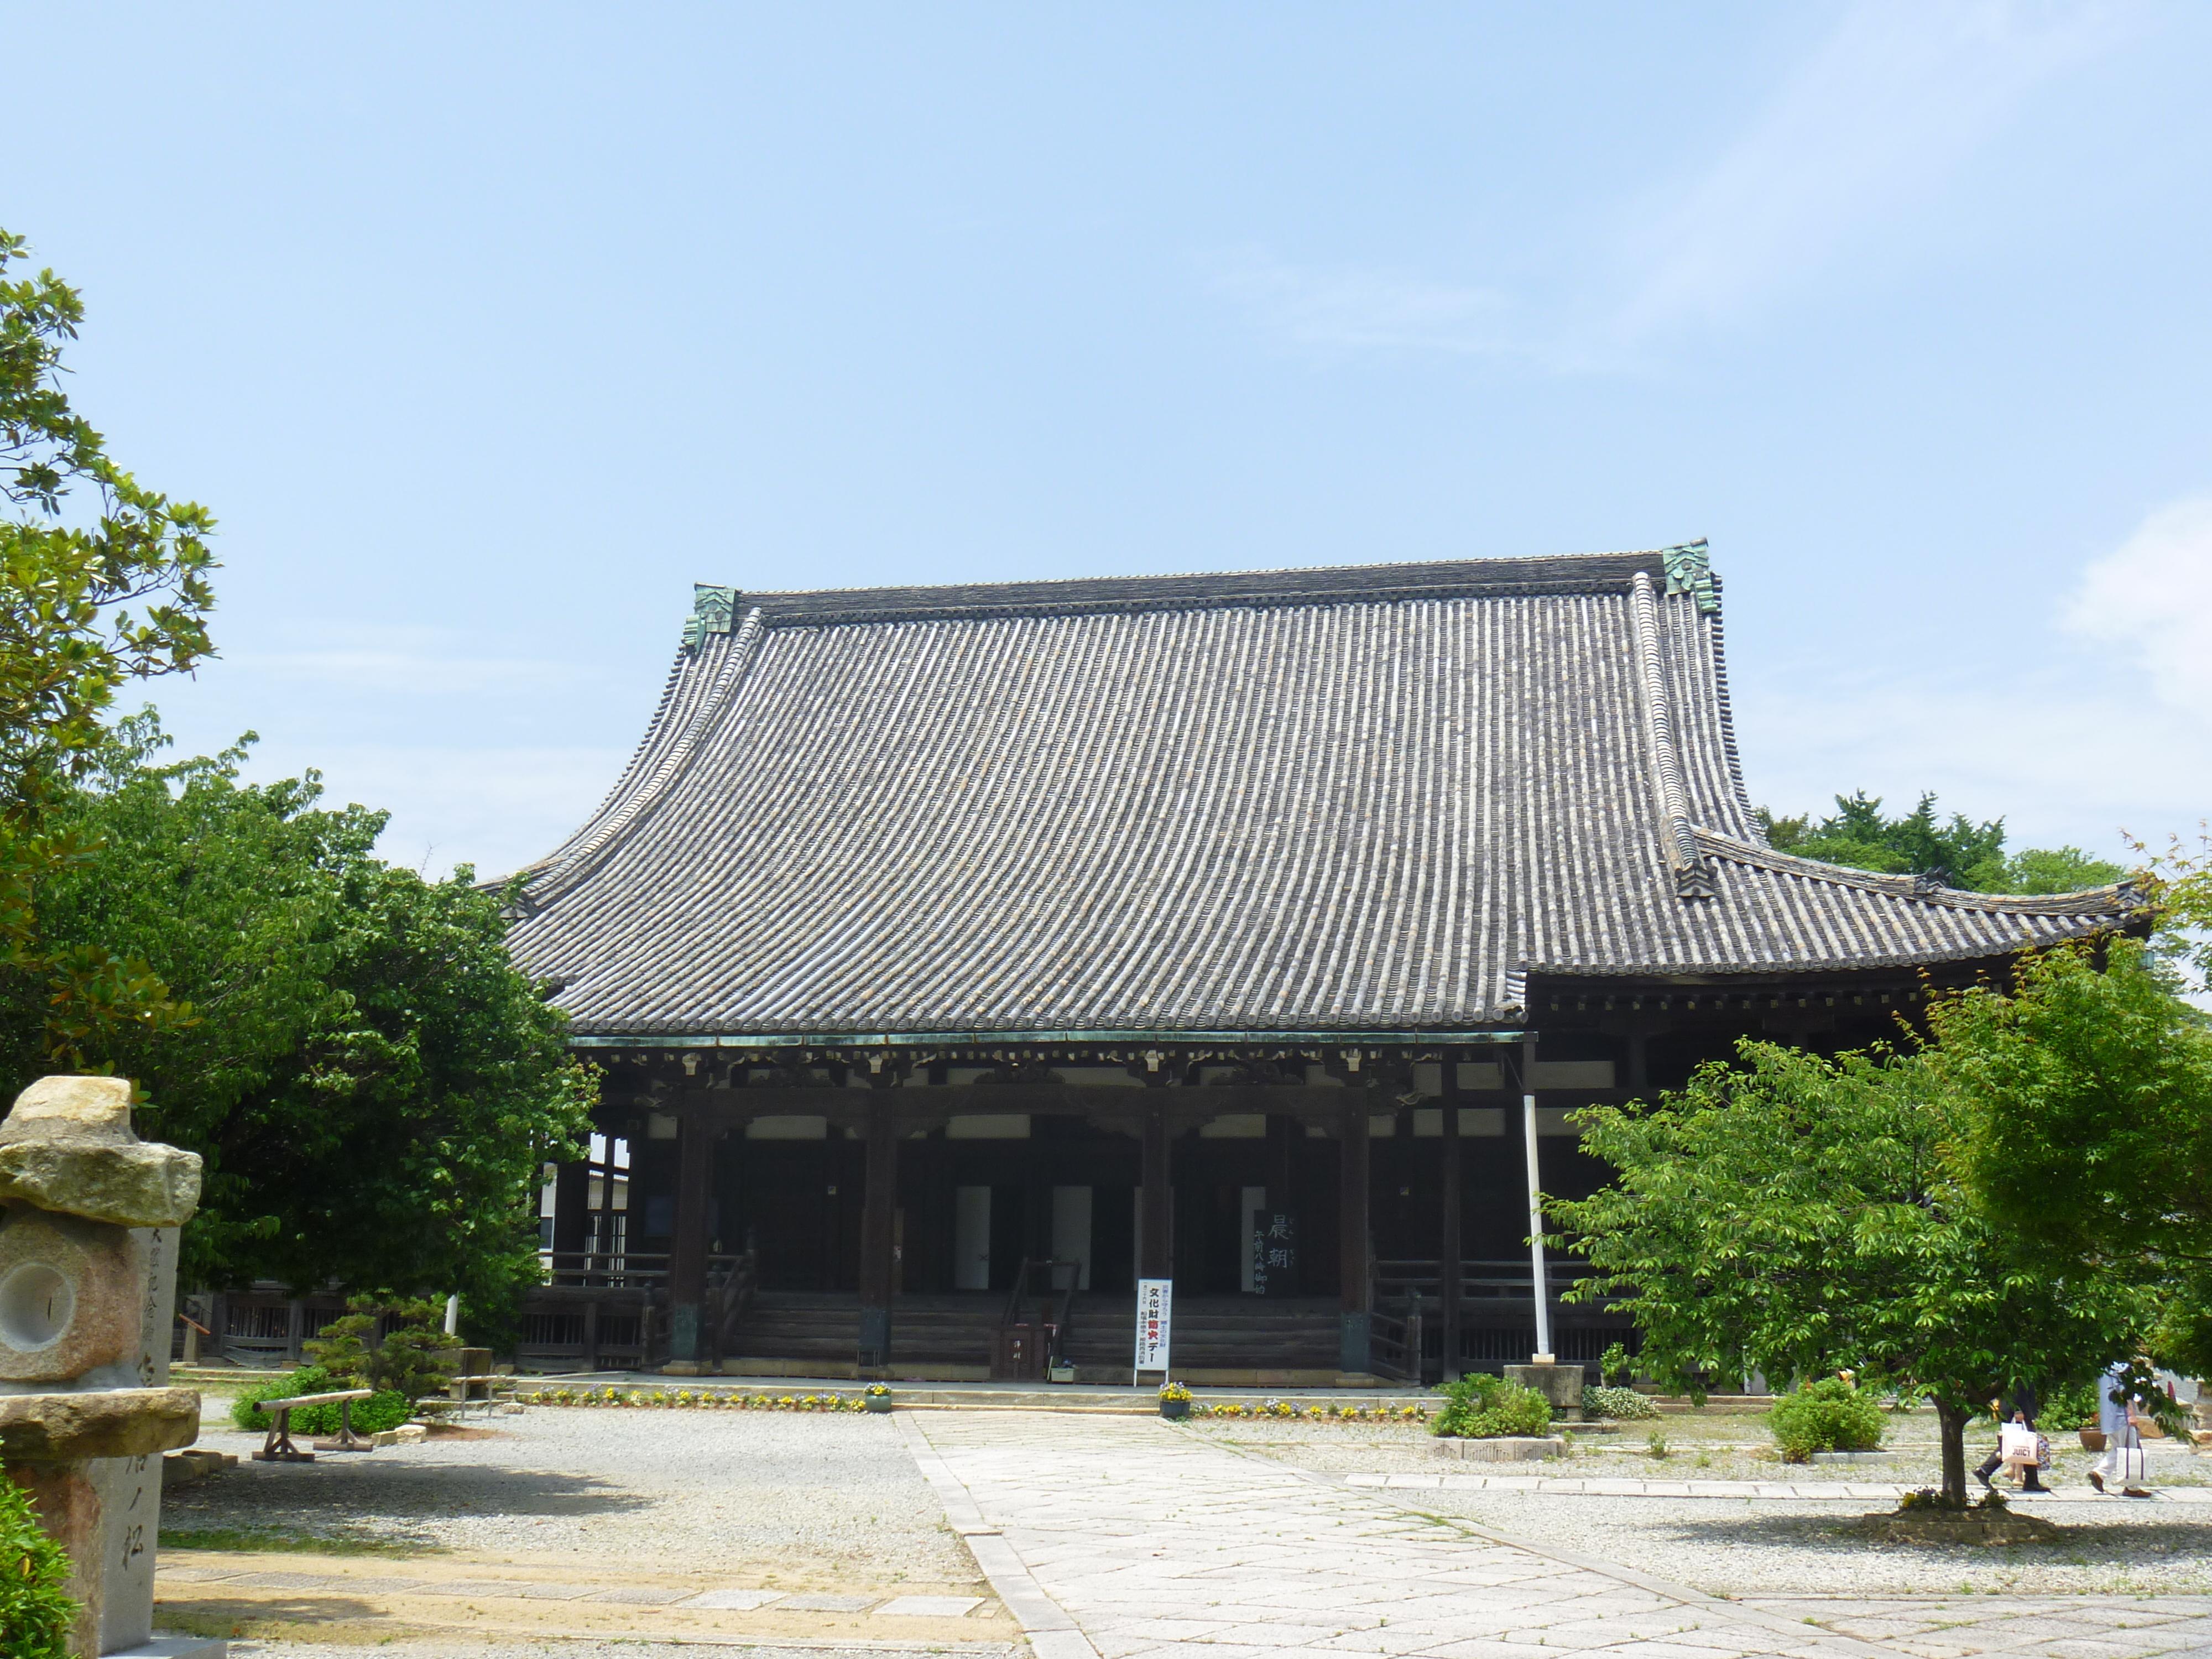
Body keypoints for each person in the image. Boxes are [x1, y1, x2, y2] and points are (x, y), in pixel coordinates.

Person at [2088, 1358, 2153, 1498]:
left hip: (2108, 1415)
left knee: (2119, 1449)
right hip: (2120, 1415)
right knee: (2130, 1450)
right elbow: (2125, 1392)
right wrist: (2131, 1414)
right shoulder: (2122, 1367)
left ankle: (2099, 1474)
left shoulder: (2104, 1367)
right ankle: (2132, 1487)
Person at [1976, 1395, 2048, 1493]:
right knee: (2025, 1443)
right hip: (2015, 1408)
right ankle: (1985, 1470)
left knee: (2019, 1444)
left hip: (2013, 1407)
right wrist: (2019, 1410)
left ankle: (1985, 1471)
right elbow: (2017, 1388)